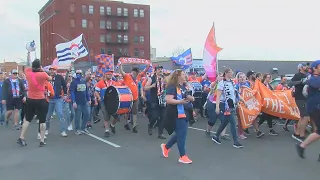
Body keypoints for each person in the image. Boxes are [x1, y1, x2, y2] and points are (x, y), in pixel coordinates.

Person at [161, 69, 194, 164]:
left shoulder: (183, 86)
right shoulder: (172, 86)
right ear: (178, 76)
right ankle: (182, 156)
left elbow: (186, 96)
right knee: (182, 135)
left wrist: (191, 98)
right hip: (176, 114)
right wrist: (180, 102)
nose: (185, 75)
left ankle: (166, 147)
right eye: (183, 74)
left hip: (185, 113)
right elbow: (168, 100)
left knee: (180, 134)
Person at [17, 59, 52, 147]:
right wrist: (42, 69)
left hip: (31, 99)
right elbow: (50, 78)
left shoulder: (28, 73)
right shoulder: (43, 74)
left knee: (27, 119)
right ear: (40, 66)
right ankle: (42, 140)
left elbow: (27, 68)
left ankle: (21, 137)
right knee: (42, 120)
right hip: (41, 99)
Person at [211, 68, 244, 148]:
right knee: (233, 123)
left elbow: (236, 94)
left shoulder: (232, 82)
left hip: (231, 105)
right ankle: (235, 142)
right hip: (225, 106)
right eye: (230, 72)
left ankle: (216, 136)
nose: (231, 73)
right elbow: (218, 97)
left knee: (225, 122)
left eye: (231, 72)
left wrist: (243, 101)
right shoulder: (221, 83)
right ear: (226, 73)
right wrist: (217, 107)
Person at [296, 60, 320, 159]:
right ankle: (301, 146)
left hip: (316, 106)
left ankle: (302, 146)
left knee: (318, 131)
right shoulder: (312, 78)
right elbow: (316, 85)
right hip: (315, 107)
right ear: (315, 68)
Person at [119, 64, 150, 133]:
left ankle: (134, 126)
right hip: (128, 98)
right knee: (127, 111)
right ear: (132, 72)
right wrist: (120, 66)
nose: (136, 74)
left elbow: (144, 72)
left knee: (135, 112)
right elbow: (122, 72)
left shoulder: (138, 77)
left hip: (135, 98)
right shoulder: (127, 76)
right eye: (135, 73)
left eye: (137, 73)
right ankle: (126, 123)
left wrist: (148, 67)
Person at [144, 65, 166, 139]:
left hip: (162, 100)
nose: (160, 70)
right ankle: (150, 125)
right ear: (156, 70)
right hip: (154, 100)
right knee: (155, 116)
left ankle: (160, 133)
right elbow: (145, 88)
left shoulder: (164, 78)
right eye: (159, 69)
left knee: (163, 117)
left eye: (161, 69)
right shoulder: (151, 79)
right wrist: (151, 86)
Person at [289, 62, 310, 142]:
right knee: (306, 116)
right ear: (301, 67)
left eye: (307, 65)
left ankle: (297, 133)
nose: (307, 67)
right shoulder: (298, 75)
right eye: (305, 66)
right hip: (300, 98)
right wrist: (301, 81)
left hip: (305, 98)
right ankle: (301, 135)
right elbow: (290, 83)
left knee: (302, 117)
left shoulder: (307, 75)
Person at [70, 70, 91, 135]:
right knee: (78, 116)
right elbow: (72, 92)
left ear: (82, 74)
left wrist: (89, 99)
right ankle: (77, 129)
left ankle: (83, 128)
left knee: (87, 114)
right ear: (76, 74)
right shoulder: (73, 82)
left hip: (84, 101)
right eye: (77, 73)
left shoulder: (84, 81)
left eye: (80, 73)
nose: (78, 74)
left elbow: (86, 91)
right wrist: (73, 102)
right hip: (77, 102)